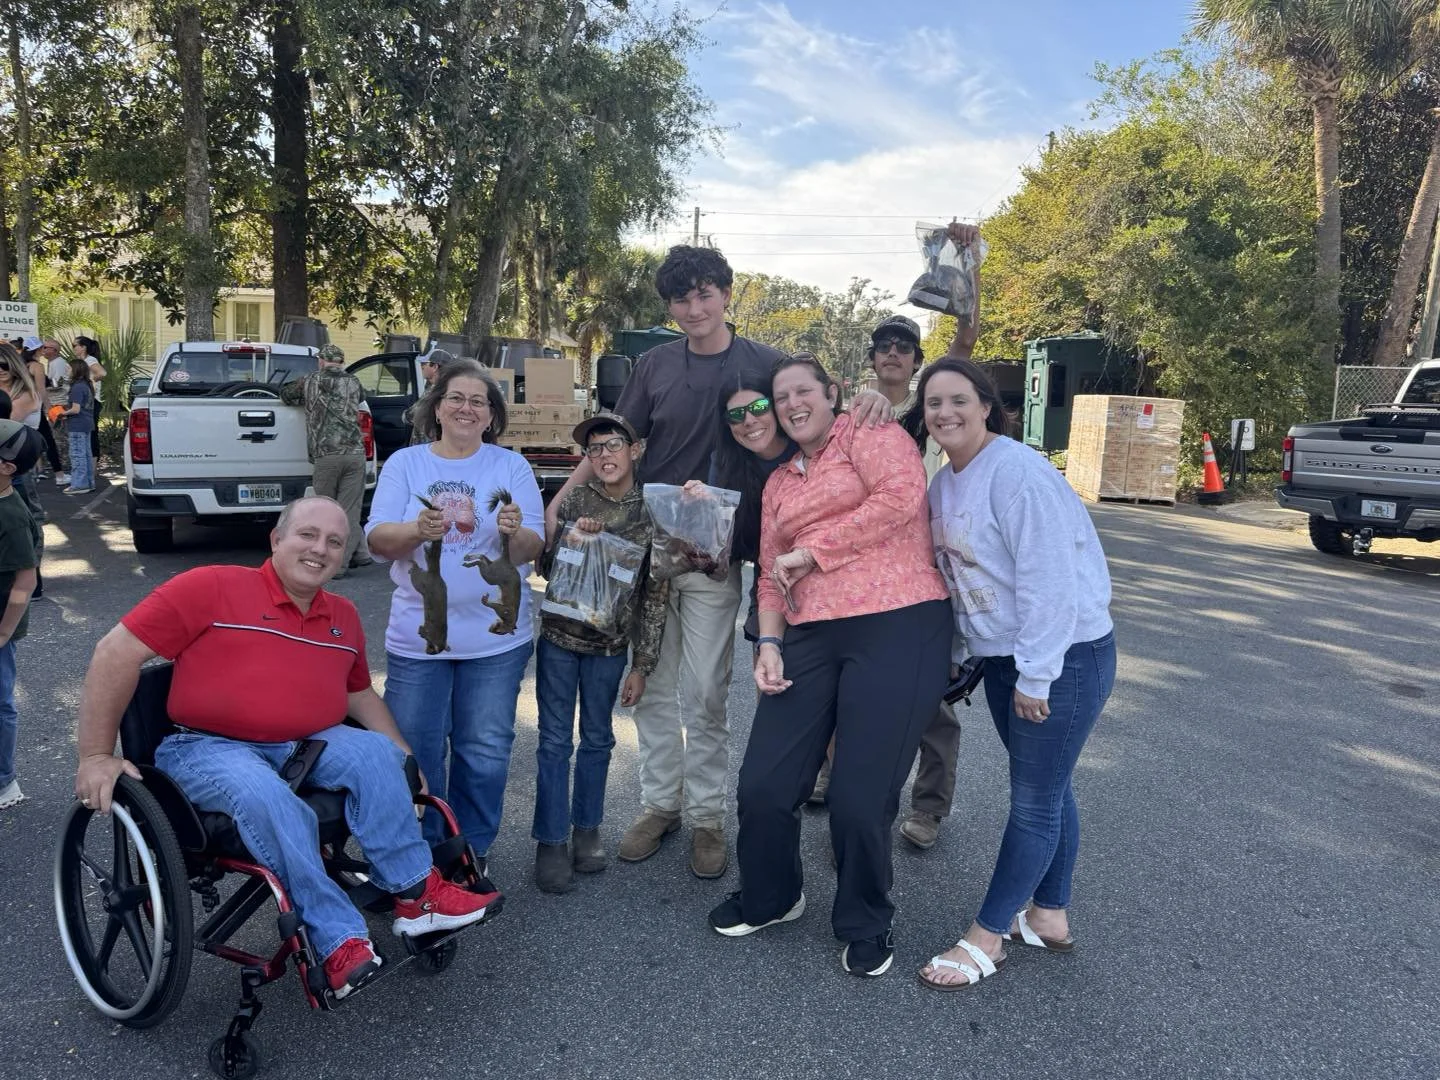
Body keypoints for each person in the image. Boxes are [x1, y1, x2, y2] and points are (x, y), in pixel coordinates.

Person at [544, 245, 891, 880]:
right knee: (650, 683)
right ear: (670, 306)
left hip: (716, 559)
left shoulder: (764, 362)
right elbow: (611, 445)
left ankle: (707, 818)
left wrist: (871, 397)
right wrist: (561, 503)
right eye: (682, 298)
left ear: (727, 293)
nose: (695, 307)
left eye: (706, 293)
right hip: (645, 553)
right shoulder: (653, 366)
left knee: (704, 692)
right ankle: (659, 806)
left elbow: (815, 410)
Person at [71, 496, 502, 997]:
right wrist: (96, 755)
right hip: (206, 747)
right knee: (272, 800)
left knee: (378, 755)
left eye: (334, 542)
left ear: (343, 556)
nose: (320, 549)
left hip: (301, 744)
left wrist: (405, 755)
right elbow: (115, 652)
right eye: (307, 535)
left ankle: (415, 896)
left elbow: (357, 693)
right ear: (276, 539)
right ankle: (338, 939)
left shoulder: (342, 614)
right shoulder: (210, 586)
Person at [708, 353, 952, 979]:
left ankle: (867, 918)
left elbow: (902, 497)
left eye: (802, 391)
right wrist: (767, 644)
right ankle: (773, 896)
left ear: (833, 393)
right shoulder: (781, 482)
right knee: (763, 784)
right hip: (809, 633)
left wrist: (815, 552)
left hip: (898, 621)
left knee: (858, 798)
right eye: (779, 396)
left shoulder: (868, 431)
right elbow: (768, 572)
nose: (791, 404)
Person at [908, 358, 1116, 990]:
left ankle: (988, 935)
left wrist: (1036, 675)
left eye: (957, 400)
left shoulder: (1017, 472)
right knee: (1050, 788)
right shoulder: (944, 484)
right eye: (933, 403)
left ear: (986, 405)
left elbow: (1050, 581)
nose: (945, 413)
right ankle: (1048, 915)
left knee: (1032, 802)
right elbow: (961, 581)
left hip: (1063, 658)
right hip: (1001, 659)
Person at [365, 360, 544, 868]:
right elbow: (377, 540)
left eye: (479, 402)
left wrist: (513, 533)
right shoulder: (406, 463)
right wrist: (416, 531)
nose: (467, 408)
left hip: (495, 642)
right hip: (419, 639)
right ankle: (420, 856)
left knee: (483, 751)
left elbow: (532, 548)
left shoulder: (511, 467)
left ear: (491, 417)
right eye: (457, 398)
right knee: (415, 752)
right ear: (436, 408)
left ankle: (470, 852)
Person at [532, 413, 668, 893]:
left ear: (635, 450)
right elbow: (546, 570)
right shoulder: (574, 500)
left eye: (613, 445)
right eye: (594, 450)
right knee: (552, 742)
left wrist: (643, 665)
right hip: (558, 641)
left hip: (609, 649)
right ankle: (550, 841)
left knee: (597, 739)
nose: (604, 456)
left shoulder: (651, 511)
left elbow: (654, 593)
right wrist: (572, 538)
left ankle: (586, 831)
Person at [694, 370, 798, 648]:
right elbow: (720, 543)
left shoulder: (805, 446)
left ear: (775, 407)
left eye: (759, 408)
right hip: (768, 581)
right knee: (769, 679)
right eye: (736, 415)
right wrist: (702, 507)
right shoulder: (725, 464)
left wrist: (872, 398)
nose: (749, 420)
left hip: (822, 577)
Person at [279, 344, 373, 574]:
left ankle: (338, 566)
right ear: (341, 361)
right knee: (350, 510)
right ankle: (359, 553)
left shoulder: (309, 381)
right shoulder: (354, 382)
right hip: (354, 454)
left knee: (326, 512)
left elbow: (286, 395)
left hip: (326, 455)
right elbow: (362, 397)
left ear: (321, 361)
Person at [0, 420, 42, 809]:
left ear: (7, 466)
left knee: (0, 701)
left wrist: (3, 634)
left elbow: (24, 584)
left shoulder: (11, 517)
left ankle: (4, 781)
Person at [0, 344, 47, 598]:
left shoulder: (26, 393)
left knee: (28, 517)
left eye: (4, 365)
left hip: (17, 466)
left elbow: (7, 424)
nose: (0, 370)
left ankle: (32, 574)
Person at [26, 338, 64, 480]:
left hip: (20, 406)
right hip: (35, 406)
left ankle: (32, 473)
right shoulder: (37, 366)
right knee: (48, 440)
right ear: (38, 349)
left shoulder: (21, 364)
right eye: (44, 347)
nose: (45, 350)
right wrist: (49, 409)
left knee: (26, 439)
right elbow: (42, 390)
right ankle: (59, 474)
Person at [59, 356, 96, 494]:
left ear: (76, 370)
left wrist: (63, 413)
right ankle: (88, 482)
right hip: (87, 423)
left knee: (77, 455)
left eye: (69, 368)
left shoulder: (76, 387)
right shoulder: (87, 385)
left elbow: (75, 409)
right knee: (86, 454)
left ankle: (79, 484)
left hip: (77, 424)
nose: (67, 370)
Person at [72, 335, 105, 464]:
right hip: (85, 403)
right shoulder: (82, 361)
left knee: (91, 435)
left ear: (83, 347)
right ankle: (87, 467)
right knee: (86, 434)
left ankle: (92, 469)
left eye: (75, 345)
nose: (73, 348)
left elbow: (102, 373)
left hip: (91, 403)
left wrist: (89, 383)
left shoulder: (90, 360)